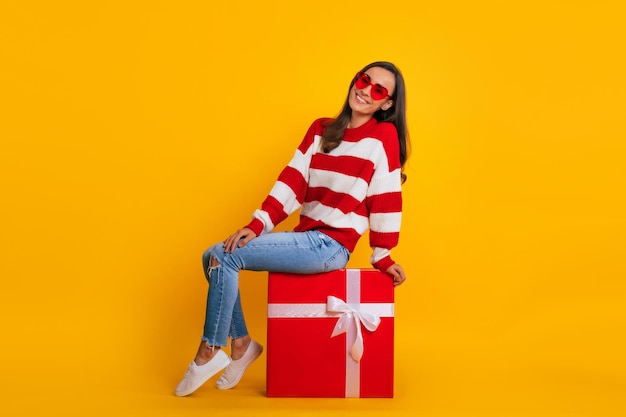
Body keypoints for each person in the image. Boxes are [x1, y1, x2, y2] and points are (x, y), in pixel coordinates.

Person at [175, 61, 410, 396]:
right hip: (306, 239)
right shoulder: (321, 129)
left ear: (386, 103)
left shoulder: (382, 136)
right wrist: (258, 225)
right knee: (212, 256)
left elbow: (386, 195)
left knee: (223, 257)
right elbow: (293, 180)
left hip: (329, 247)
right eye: (364, 80)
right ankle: (241, 344)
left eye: (378, 90)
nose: (365, 90)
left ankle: (209, 350)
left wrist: (383, 255)